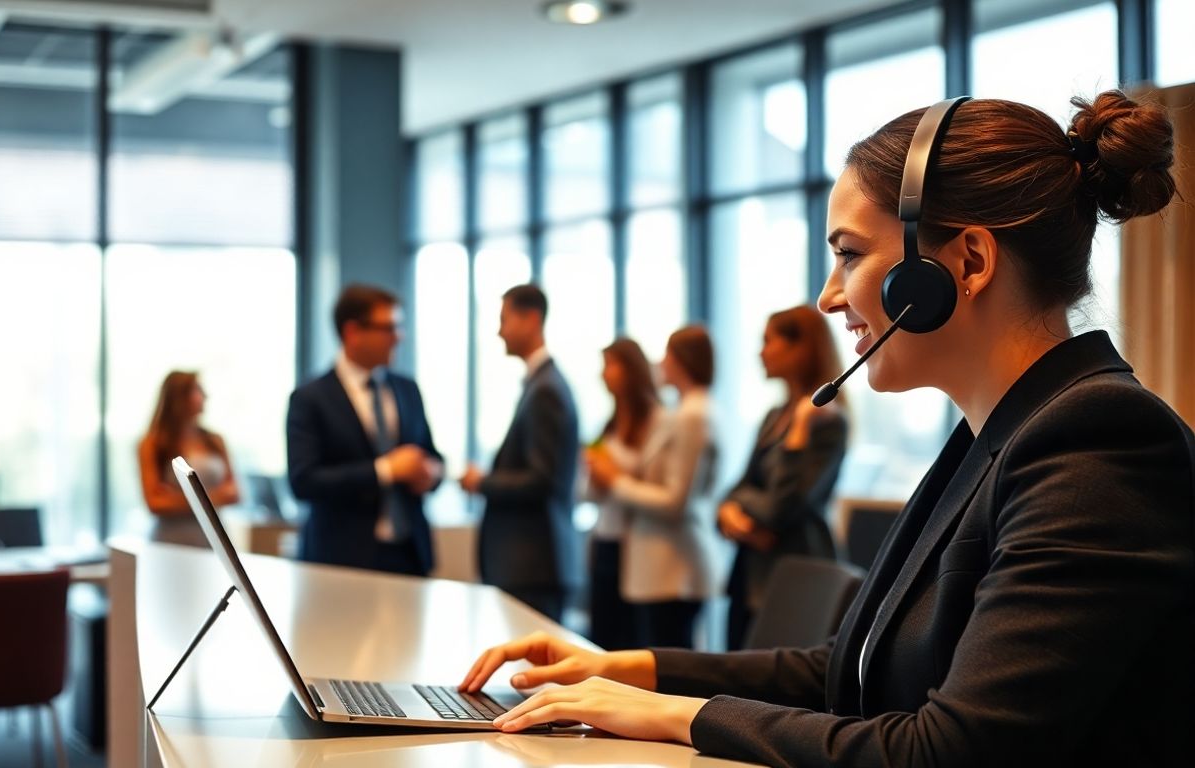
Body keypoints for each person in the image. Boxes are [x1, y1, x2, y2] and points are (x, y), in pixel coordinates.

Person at [459, 90, 1193, 766]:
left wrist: (679, 716)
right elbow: (847, 665)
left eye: (849, 254)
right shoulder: (999, 433)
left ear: (965, 263)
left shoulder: (1099, 441)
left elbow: (954, 750)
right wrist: (633, 670)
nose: (828, 295)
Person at [287, 284, 443, 576]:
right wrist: (385, 470)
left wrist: (433, 473)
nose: (399, 337)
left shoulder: (407, 390)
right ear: (352, 333)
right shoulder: (310, 398)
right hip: (342, 560)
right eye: (389, 328)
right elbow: (303, 481)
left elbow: (431, 455)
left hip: (409, 555)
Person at [717, 305, 849, 649]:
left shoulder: (828, 420)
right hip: (750, 573)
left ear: (799, 348)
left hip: (794, 577)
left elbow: (781, 507)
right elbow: (736, 489)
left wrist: (799, 433)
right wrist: (730, 510)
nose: (760, 352)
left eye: (768, 341)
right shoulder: (773, 415)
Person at [585, 326, 717, 649]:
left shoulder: (688, 415)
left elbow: (676, 501)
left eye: (668, 355)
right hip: (646, 561)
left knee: (663, 668)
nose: (661, 362)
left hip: (668, 565)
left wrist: (615, 479)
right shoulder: (684, 412)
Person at [461, 284, 580, 622]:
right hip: (530, 564)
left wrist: (481, 482)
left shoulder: (546, 390)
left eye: (504, 319)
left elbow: (541, 479)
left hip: (533, 564)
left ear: (531, 319)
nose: (499, 332)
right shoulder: (541, 384)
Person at [581, 337, 661, 650]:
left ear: (631, 369)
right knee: (602, 635)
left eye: (611, 366)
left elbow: (653, 483)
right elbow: (589, 492)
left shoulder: (656, 421)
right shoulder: (608, 425)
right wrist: (597, 475)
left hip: (636, 543)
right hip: (604, 538)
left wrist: (613, 473)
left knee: (633, 637)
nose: (605, 374)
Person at [139, 371, 240, 547]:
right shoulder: (153, 444)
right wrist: (215, 497)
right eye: (198, 390)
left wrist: (175, 498)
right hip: (170, 540)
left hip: (213, 538)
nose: (205, 396)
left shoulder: (215, 441)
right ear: (179, 396)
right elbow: (155, 503)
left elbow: (234, 493)